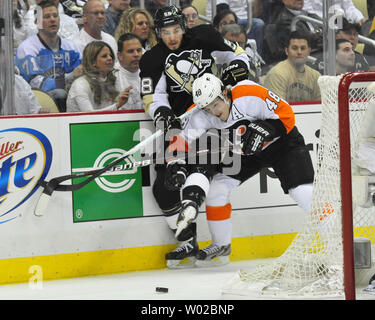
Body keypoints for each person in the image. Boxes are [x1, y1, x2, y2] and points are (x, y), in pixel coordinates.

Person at [139, 5, 250, 268]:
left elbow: (237, 54)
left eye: (176, 30)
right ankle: (187, 241)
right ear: (158, 32)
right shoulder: (152, 59)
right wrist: (163, 114)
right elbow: (153, 97)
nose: (172, 37)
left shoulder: (204, 37)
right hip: (180, 127)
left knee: (202, 176)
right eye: (166, 32)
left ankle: (220, 244)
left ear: (184, 26)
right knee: (164, 186)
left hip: (213, 119)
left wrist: (237, 68)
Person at [171, 73, 314, 264]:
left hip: (284, 145)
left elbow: (287, 115)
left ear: (225, 93)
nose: (213, 112)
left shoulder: (249, 93)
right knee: (216, 190)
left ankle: (339, 239)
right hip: (245, 153)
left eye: (215, 105)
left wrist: (265, 130)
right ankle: (221, 245)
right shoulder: (200, 113)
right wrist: (174, 163)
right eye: (207, 109)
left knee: (304, 194)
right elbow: (180, 141)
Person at [15, 0, 82, 112]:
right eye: (47, 16)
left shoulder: (71, 47)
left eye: (55, 16)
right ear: (37, 22)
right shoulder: (27, 49)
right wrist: (70, 77)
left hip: (67, 94)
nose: (52, 19)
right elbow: (38, 84)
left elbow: (80, 75)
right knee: (60, 94)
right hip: (37, 100)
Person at [66, 41, 130, 112]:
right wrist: (117, 106)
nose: (110, 58)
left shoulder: (113, 80)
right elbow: (89, 115)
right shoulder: (80, 84)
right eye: (104, 56)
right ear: (93, 62)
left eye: (111, 55)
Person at [263, 31, 321, 102]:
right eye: (294, 48)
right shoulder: (276, 74)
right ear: (287, 51)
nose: (299, 52)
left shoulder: (316, 76)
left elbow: (321, 107)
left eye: (303, 48)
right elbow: (277, 109)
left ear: (309, 51)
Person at [263, 0, 323, 65]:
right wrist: (323, 35)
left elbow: (329, 31)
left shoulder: (312, 15)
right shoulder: (284, 20)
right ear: (284, 1)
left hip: (321, 54)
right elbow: (304, 39)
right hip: (305, 60)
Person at [114, 33, 144, 110]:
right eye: (131, 51)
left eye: (139, 50)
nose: (136, 54)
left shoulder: (151, 72)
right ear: (120, 56)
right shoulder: (111, 76)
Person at [303, 0, 367, 25]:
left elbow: (349, 7)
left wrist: (360, 18)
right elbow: (309, 13)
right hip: (321, 26)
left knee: (369, 28)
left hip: (344, 24)